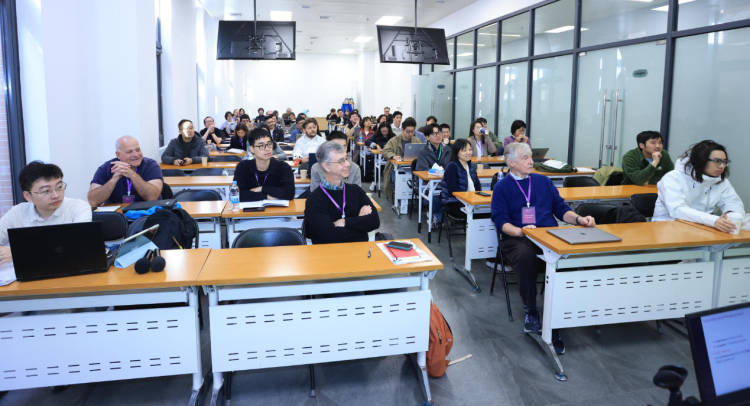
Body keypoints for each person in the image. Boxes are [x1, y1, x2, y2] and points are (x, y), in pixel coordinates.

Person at [491, 142, 596, 354]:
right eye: (525, 158)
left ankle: (557, 311)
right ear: (511, 163)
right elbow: (500, 221)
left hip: (548, 235)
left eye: (531, 157)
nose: (531, 161)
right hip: (518, 238)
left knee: (569, 255)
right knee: (525, 256)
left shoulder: (543, 181)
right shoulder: (502, 188)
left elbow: (561, 209)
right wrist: (521, 231)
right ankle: (531, 310)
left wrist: (579, 219)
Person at [0, 162, 92, 263]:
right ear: (28, 196)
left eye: (59, 187)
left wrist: (18, 253)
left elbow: (78, 246)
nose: (56, 195)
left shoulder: (79, 208)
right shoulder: (17, 213)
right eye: (46, 191)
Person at [653, 140, 744, 233]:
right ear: (701, 160)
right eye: (717, 161)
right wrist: (713, 220)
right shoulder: (673, 178)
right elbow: (677, 210)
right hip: (669, 228)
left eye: (725, 162)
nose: (722, 166)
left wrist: (730, 214)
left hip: (703, 228)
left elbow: (733, 202)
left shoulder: (720, 181)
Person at [304, 141, 379, 244]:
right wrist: (359, 221)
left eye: (346, 159)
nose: (347, 164)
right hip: (329, 253)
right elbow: (326, 237)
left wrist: (344, 222)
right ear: (326, 166)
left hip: (359, 251)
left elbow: (374, 221)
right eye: (341, 161)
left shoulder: (356, 190)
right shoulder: (315, 199)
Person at [90, 136, 164, 205]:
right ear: (118, 155)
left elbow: (152, 197)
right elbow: (93, 201)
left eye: (138, 150)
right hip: (117, 213)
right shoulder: (106, 168)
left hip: (147, 212)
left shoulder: (151, 165)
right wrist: (113, 180)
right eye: (129, 152)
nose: (136, 155)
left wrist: (132, 175)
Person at [233, 128, 295, 202]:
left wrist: (262, 189)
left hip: (276, 209)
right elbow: (238, 194)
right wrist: (266, 196)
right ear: (252, 149)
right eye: (261, 146)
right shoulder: (243, 167)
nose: (267, 149)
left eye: (269, 144)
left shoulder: (283, 167)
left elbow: (289, 193)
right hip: (251, 209)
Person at [438, 139, 481, 223]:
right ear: (457, 152)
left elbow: (477, 186)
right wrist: (469, 199)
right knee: (480, 213)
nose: (468, 152)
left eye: (470, 150)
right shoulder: (452, 166)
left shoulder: (472, 166)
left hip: (471, 201)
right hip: (454, 202)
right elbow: (453, 191)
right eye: (464, 150)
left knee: (488, 210)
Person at [382, 117, 423, 194]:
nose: (410, 134)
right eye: (408, 131)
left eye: (412, 132)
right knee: (398, 180)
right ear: (402, 130)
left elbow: (422, 152)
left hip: (412, 168)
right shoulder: (394, 140)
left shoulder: (416, 140)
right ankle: (398, 197)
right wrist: (393, 156)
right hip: (396, 168)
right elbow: (385, 151)